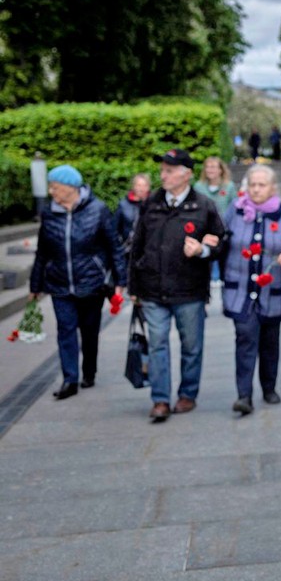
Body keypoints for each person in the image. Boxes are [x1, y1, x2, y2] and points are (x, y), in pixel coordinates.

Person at [128, 149, 225, 422]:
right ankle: (160, 399)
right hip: (152, 289)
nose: (163, 175)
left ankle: (187, 394)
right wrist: (133, 287)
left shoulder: (203, 206)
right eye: (162, 170)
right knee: (158, 344)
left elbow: (220, 242)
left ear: (187, 174)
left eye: (170, 170)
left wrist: (203, 251)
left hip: (189, 290)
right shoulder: (151, 204)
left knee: (191, 346)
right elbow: (137, 246)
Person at [219, 165, 281, 415]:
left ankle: (269, 388)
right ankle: (244, 395)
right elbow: (219, 240)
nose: (256, 189)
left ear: (272, 188)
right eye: (252, 185)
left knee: (270, 343)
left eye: (261, 185)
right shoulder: (235, 211)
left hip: (273, 293)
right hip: (240, 291)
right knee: (245, 338)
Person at [29, 165, 126, 399]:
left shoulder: (98, 210)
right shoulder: (49, 213)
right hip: (59, 283)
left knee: (90, 331)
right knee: (65, 330)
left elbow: (114, 247)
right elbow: (42, 252)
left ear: (70, 187)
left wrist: (120, 280)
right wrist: (35, 285)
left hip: (91, 282)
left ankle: (89, 371)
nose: (51, 191)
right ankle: (69, 379)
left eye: (55, 187)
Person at [193, 156, 238, 286]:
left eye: (213, 167)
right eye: (207, 167)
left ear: (220, 170)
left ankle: (221, 279)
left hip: (224, 230)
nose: (209, 170)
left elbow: (234, 207)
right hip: (204, 231)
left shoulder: (228, 187)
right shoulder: (198, 187)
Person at [115, 173, 151, 254]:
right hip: (128, 251)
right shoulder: (123, 205)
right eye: (139, 185)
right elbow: (115, 230)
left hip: (148, 252)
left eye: (145, 185)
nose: (142, 189)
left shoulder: (154, 205)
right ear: (133, 187)